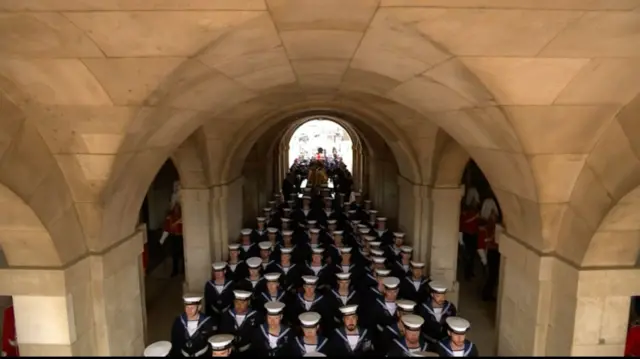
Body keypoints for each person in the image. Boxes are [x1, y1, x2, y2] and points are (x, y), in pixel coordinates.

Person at [219, 290, 261, 356]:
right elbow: (222, 333)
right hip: (230, 351)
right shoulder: (227, 315)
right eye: (237, 302)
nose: (239, 305)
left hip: (250, 352)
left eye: (242, 303)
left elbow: (258, 337)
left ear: (248, 302)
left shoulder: (256, 316)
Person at [204, 262, 235, 329]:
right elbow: (208, 302)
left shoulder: (231, 284)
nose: (217, 273)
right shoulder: (209, 285)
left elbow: (232, 300)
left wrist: (226, 310)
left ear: (225, 271)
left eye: (220, 271)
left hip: (228, 314)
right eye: (215, 271)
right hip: (213, 315)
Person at [459, 202, 480, 280]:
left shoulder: (473, 215)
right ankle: (467, 275)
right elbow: (465, 222)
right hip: (467, 236)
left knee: (472, 256)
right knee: (468, 256)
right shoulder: (464, 216)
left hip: (473, 236)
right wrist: (475, 217)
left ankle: (471, 272)